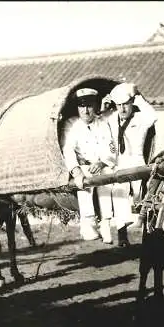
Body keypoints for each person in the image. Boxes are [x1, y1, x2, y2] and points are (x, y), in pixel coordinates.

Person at [102, 83, 157, 247]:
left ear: (131, 102)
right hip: (120, 162)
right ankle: (122, 234)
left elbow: (153, 115)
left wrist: (138, 97)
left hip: (138, 161)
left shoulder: (141, 119)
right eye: (118, 105)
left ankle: (147, 231)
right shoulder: (112, 120)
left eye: (125, 104)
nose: (122, 109)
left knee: (141, 195)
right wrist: (104, 107)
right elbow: (100, 122)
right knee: (118, 192)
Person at [61, 88, 117, 244]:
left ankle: (106, 223)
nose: (85, 110)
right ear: (78, 108)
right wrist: (76, 170)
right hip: (82, 166)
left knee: (107, 180)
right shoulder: (71, 124)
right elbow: (68, 149)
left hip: (101, 165)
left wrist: (102, 162)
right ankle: (89, 224)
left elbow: (110, 147)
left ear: (95, 107)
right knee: (83, 183)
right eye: (82, 106)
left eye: (89, 106)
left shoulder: (103, 124)